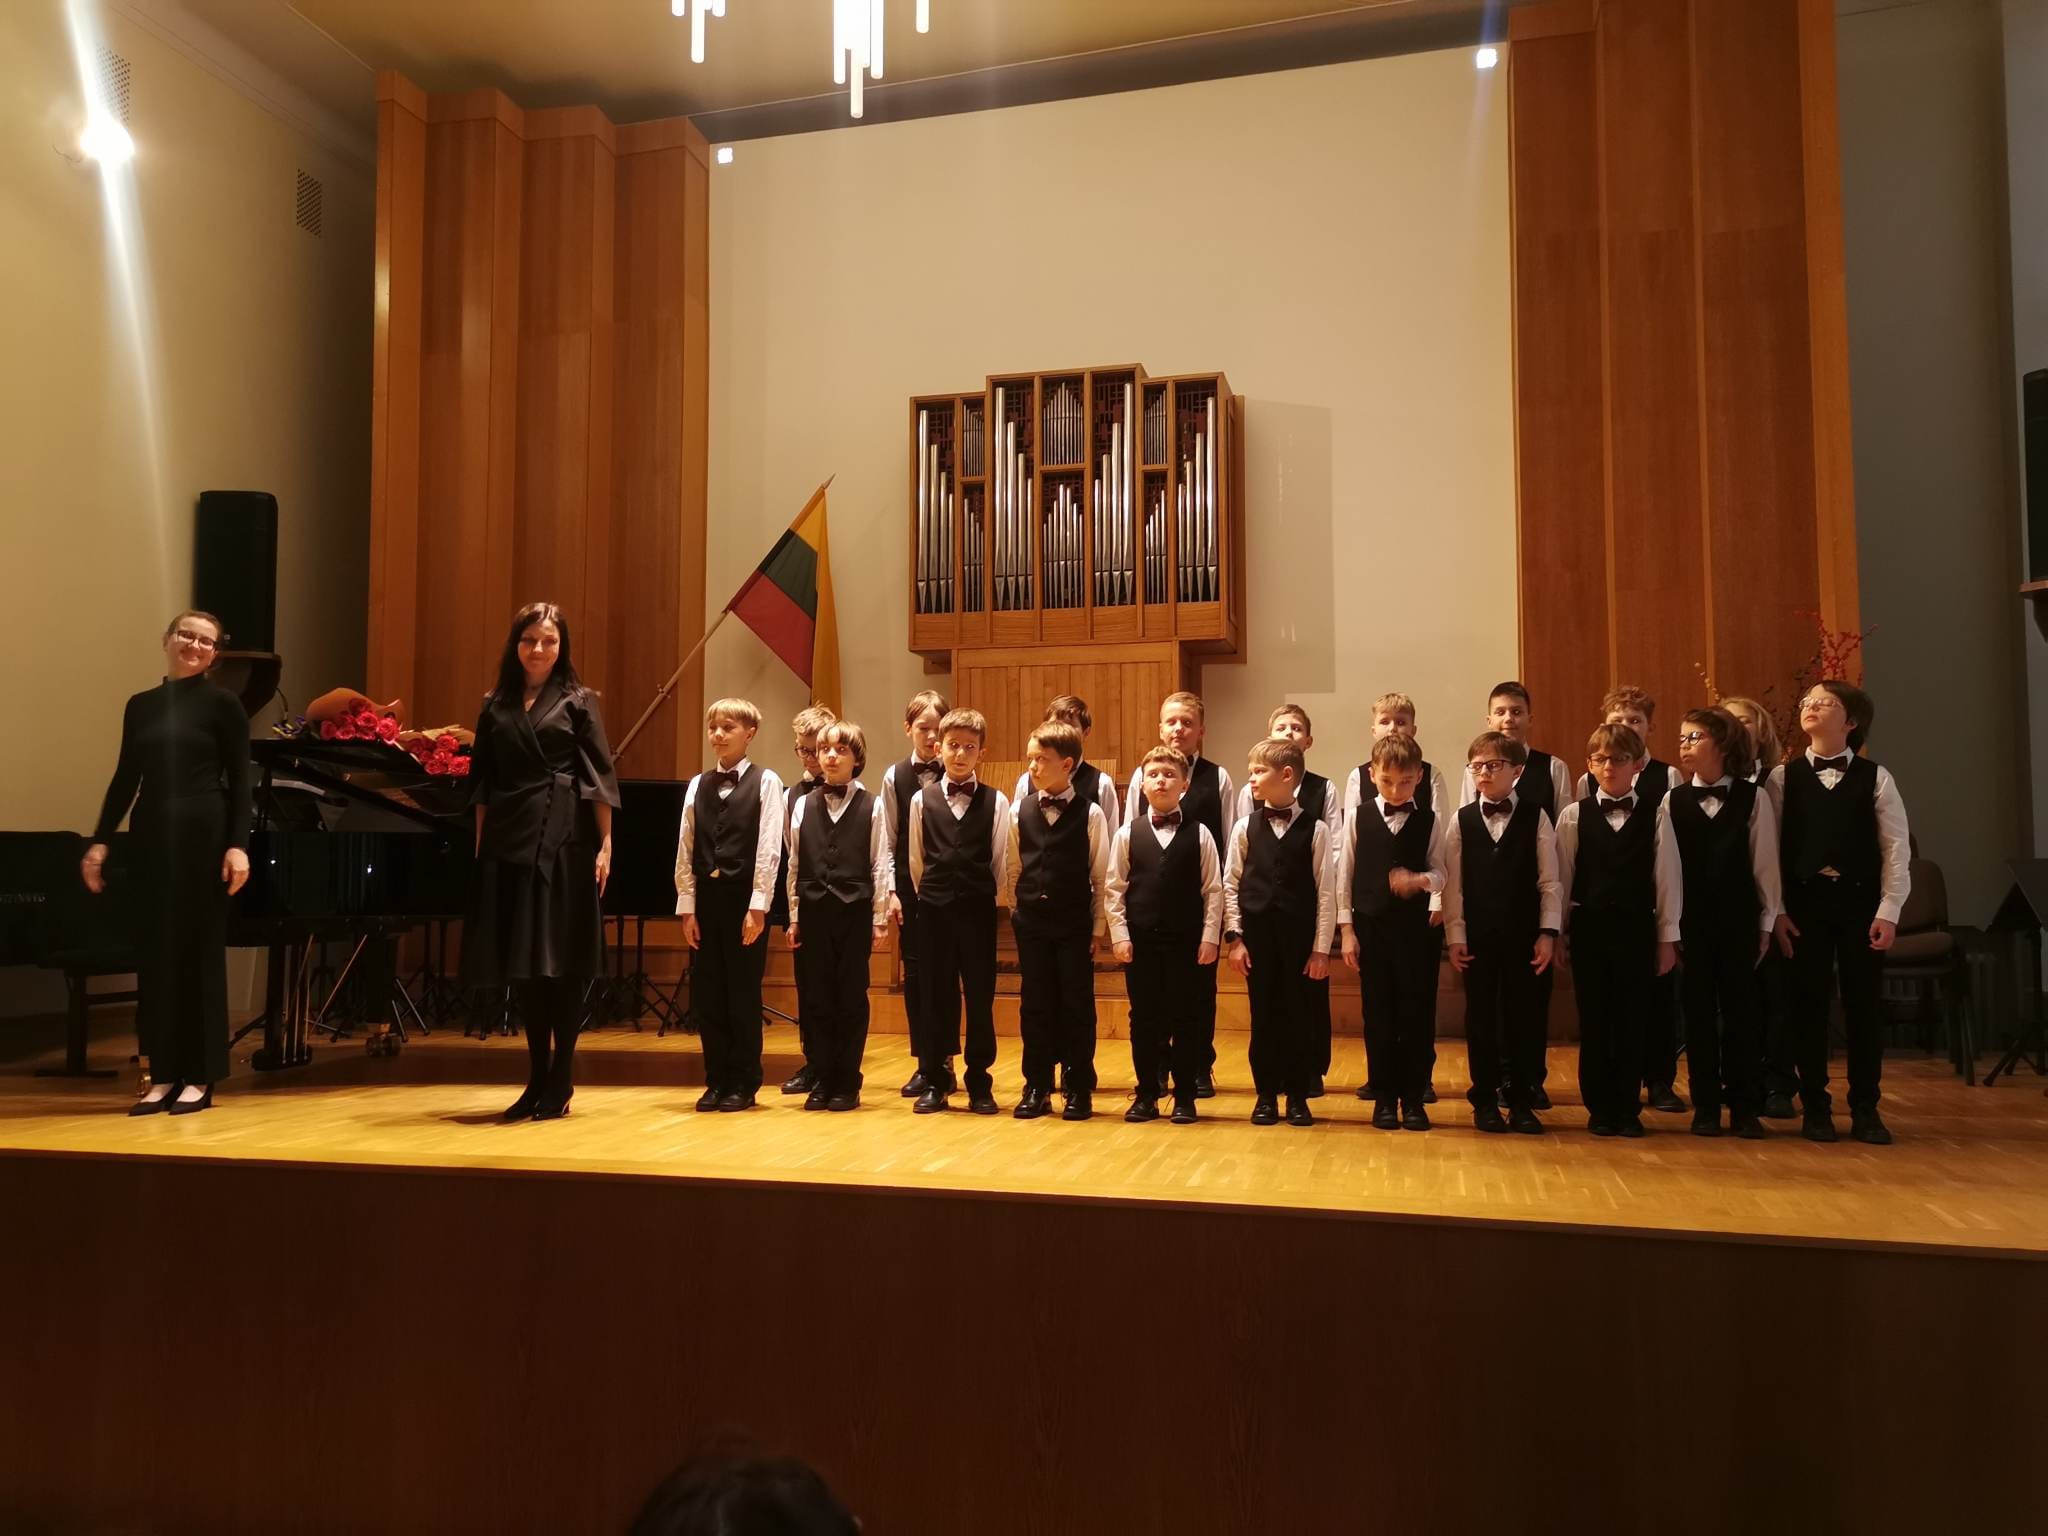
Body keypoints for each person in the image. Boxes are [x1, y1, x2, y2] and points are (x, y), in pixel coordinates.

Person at [86, 610, 251, 1116]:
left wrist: (238, 845)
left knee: (199, 954)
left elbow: (241, 780)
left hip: (205, 835)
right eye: (186, 635)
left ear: (215, 654)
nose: (194, 645)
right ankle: (162, 1076)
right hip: (151, 835)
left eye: (206, 641)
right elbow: (125, 777)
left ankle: (199, 1077)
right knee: (156, 956)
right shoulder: (141, 705)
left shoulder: (223, 704)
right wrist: (100, 840)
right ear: (167, 640)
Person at [462, 602, 619, 1122]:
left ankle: (562, 1076)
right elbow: (482, 783)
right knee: (526, 967)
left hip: (564, 840)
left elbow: (598, 776)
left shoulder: (580, 700)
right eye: (530, 639)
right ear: (516, 644)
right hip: (508, 840)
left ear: (561, 647)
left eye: (549, 641)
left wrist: (606, 844)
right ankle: (535, 1080)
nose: (539, 649)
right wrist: (482, 847)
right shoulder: (495, 704)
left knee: (562, 964)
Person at [1767, 680, 1911, 1144]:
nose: (1811, 707)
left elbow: (1895, 848)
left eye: (1824, 702)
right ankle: (1815, 1106)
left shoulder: (1876, 777)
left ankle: (1866, 1107)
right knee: (1805, 1006)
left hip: (1859, 903)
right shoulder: (1782, 778)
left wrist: (1889, 910)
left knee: (1863, 1007)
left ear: (1851, 721)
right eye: (1807, 701)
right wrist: (1777, 911)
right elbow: (1769, 853)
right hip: (1803, 905)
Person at [1553, 723, 1679, 1138]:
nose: (1609, 767)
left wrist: (1667, 938)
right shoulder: (1574, 816)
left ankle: (1627, 1107)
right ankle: (1598, 1107)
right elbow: (1563, 878)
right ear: (1589, 765)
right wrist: (1557, 933)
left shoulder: (1656, 814)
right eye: (1601, 759)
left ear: (1637, 765)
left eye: (1619, 759)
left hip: (1637, 927)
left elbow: (1667, 879)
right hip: (1589, 928)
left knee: (1632, 1019)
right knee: (1595, 1019)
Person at [1666, 706, 1781, 1139]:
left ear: (1723, 744)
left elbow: (1764, 866)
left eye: (1695, 737)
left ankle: (1746, 1106)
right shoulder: (1673, 800)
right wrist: (1670, 928)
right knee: (1696, 1015)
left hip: (1739, 921)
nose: (1685, 745)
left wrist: (1766, 924)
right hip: (1692, 923)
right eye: (1682, 738)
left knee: (1742, 1015)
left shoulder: (1754, 798)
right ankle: (1706, 1106)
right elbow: (1667, 872)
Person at [1444, 731, 1562, 1133]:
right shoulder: (1461, 820)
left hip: (1524, 936)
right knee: (1481, 1019)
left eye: (1493, 765)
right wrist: (1456, 936)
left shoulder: (1536, 816)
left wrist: (1548, 932)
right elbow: (1454, 887)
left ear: (1517, 771)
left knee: (1523, 1019)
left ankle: (1522, 1101)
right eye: (1477, 766)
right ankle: (1484, 1100)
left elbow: (1550, 881)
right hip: (1477, 938)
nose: (1484, 773)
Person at [674, 697, 785, 1113]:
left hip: (743, 900)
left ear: (749, 733)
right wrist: (688, 906)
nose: (718, 735)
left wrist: (758, 906)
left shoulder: (766, 781)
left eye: (728, 728)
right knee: (709, 994)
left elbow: (769, 847)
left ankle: (744, 1081)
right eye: (713, 728)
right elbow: (686, 846)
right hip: (707, 899)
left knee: (741, 993)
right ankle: (716, 1080)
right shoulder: (697, 785)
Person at [1223, 738, 1338, 1128]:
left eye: (1259, 771)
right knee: (1264, 1017)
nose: (1252, 779)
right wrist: (1235, 938)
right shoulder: (1245, 827)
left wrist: (1321, 949)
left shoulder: (1316, 830)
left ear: (1286, 775)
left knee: (1300, 1017)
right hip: (1257, 940)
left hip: (1300, 941)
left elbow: (1326, 893)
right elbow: (1230, 884)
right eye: (1251, 771)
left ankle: (1298, 1096)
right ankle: (1266, 1095)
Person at [1122, 691, 1232, 1098]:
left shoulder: (1218, 778)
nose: (1178, 729)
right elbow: (1130, 838)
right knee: (1151, 1002)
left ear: (1201, 731)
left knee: (1198, 996)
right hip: (1149, 910)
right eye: (1171, 721)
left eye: (1187, 722)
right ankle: (1157, 1072)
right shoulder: (1144, 776)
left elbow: (1229, 839)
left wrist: (1219, 918)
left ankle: (1199, 1068)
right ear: (1160, 728)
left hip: (1196, 910)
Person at [1106, 747, 1223, 1124]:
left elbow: (1213, 890)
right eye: (1154, 774)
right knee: (1144, 1019)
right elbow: (1114, 888)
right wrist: (1120, 934)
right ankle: (1146, 1093)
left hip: (1187, 942)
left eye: (1170, 774)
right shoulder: (1127, 833)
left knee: (1187, 1018)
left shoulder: (1200, 834)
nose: (1161, 780)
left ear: (1185, 785)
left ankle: (1185, 1095)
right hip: (1141, 941)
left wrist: (1210, 937)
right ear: (1142, 785)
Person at [1337, 732, 1446, 1131]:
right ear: (1372, 774)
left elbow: (1441, 871)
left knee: (1416, 1013)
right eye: (1387, 781)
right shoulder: (1358, 817)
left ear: (1419, 777)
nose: (1396, 790)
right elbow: (1344, 876)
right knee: (1378, 1014)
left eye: (1405, 782)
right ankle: (1384, 1098)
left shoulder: (1430, 820)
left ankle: (1414, 1100)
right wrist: (1347, 931)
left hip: (1417, 932)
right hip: (1371, 927)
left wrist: (1420, 880)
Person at [906, 707, 1010, 1114]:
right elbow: (916, 861)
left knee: (980, 997)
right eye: (953, 745)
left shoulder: (996, 802)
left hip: (978, 912)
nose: (961, 754)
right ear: (939, 748)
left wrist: (980, 896)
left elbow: (1000, 861)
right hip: (933, 912)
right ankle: (936, 1079)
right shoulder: (921, 800)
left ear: (982, 752)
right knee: (936, 995)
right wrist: (935, 894)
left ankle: (979, 1081)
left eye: (969, 747)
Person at [1006, 720, 1112, 1121]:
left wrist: (1097, 928)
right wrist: (1018, 910)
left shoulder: (1091, 814)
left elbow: (1100, 876)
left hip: (1073, 924)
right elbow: (1013, 867)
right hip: (1032, 921)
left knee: (1076, 1004)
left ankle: (1077, 1085)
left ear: (1067, 764)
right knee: (1034, 1003)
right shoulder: (1019, 810)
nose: (1032, 766)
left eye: (1041, 759)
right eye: (1030, 758)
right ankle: (1036, 1085)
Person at [786, 719, 890, 1111]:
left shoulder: (872, 805)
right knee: (817, 996)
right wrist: (794, 915)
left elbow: (879, 863)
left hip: (854, 911)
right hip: (814, 910)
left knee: (850, 996)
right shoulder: (803, 805)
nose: (830, 756)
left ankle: (847, 1081)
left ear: (856, 759)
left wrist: (879, 917)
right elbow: (795, 864)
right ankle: (823, 1076)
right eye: (824, 749)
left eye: (840, 750)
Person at [1722, 694, 1799, 1118]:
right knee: (1736, 1001)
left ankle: (1778, 1084)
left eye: (1745, 721)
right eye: (1728, 721)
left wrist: (1778, 908)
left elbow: (1785, 848)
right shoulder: (1707, 783)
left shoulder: (1779, 779)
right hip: (1730, 907)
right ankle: (1737, 1082)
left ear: (1763, 731)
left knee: (1776, 998)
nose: (1737, 728)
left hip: (1777, 904)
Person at [881, 689, 950, 1098]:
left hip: (949, 890)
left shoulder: (956, 772)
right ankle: (924, 1062)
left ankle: (946, 1061)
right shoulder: (895, 777)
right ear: (908, 728)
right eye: (923, 728)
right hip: (909, 892)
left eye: (938, 728)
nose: (931, 736)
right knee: (917, 976)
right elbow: (888, 840)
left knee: (946, 976)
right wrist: (891, 891)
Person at [773, 703, 836, 1097]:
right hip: (806, 904)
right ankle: (813, 1061)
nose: (810, 758)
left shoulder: (855, 793)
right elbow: (789, 856)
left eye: (816, 749)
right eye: (803, 749)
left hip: (844, 903)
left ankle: (838, 1063)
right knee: (809, 986)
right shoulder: (790, 796)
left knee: (840, 988)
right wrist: (792, 914)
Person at [1012, 693, 1120, 823]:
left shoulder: (1102, 784)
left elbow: (1110, 834)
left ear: (1086, 732)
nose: (1061, 732)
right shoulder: (1025, 783)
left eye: (1069, 725)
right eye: (1055, 725)